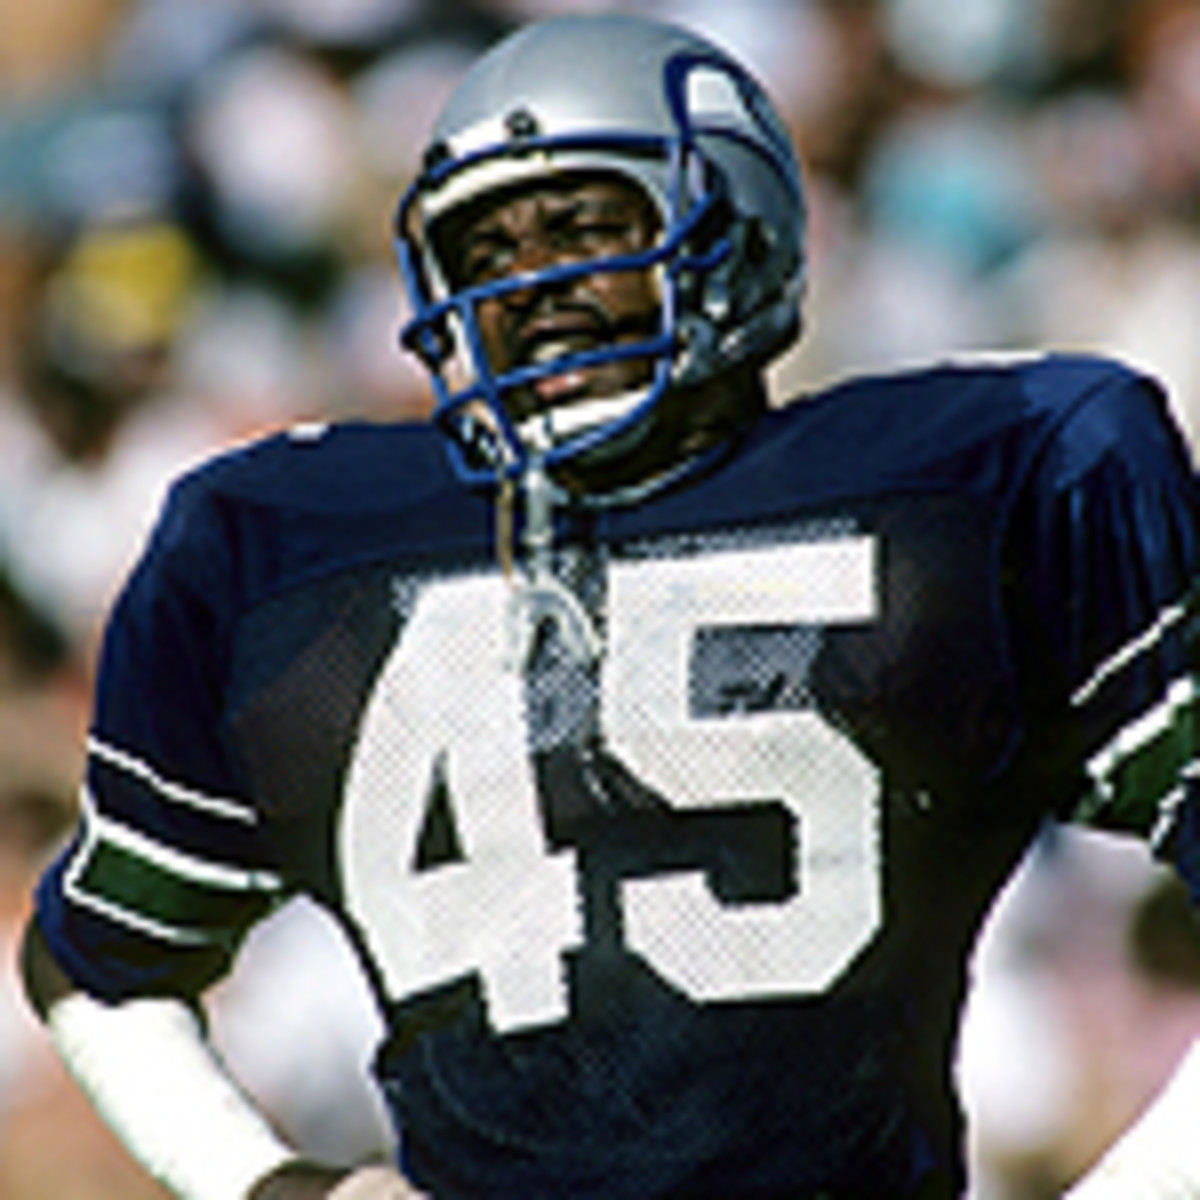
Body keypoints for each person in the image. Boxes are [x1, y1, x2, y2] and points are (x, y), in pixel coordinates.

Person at [17, 12, 1200, 1200]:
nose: (533, 286)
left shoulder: (971, 489)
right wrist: (275, 1187)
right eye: (487, 250)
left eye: (583, 225)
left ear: (732, 221)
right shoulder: (279, 552)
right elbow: (103, 961)